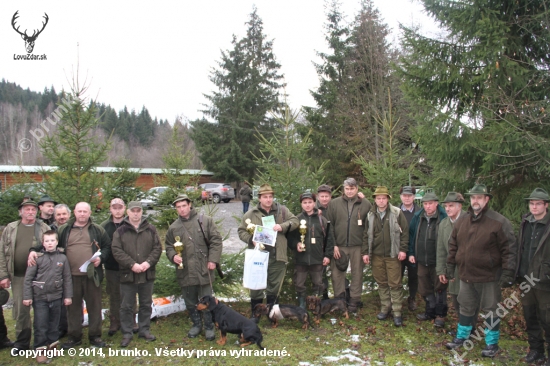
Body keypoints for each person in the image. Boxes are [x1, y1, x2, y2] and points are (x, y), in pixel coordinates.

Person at [445, 184, 517, 358]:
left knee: (491, 309)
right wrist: (450, 266)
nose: (475, 201)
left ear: (486, 199)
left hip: (489, 277)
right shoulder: (463, 220)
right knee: (466, 306)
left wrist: (508, 272)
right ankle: (462, 337)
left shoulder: (499, 222)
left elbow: (509, 249)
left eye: (479, 197)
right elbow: (453, 244)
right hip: (466, 275)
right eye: (473, 197)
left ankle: (492, 343)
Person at [50, 202, 111, 349]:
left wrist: (101, 258)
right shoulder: (64, 230)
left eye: (85, 211)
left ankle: (95, 336)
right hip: (71, 276)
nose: (82, 214)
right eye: (79, 211)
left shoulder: (97, 230)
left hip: (92, 275)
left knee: (94, 305)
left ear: (90, 213)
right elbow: (53, 246)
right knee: (73, 307)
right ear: (74, 213)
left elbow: (107, 247)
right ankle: (74, 337)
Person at [165, 194, 222, 341]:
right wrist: (173, 256)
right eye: (178, 207)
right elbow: (169, 246)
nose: (182, 209)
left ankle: (209, 327)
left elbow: (216, 241)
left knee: (207, 301)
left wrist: (213, 260)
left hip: (204, 269)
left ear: (189, 205)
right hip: (185, 271)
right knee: (190, 301)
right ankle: (196, 324)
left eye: (184, 206)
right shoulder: (174, 227)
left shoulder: (205, 221)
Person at [238, 184, 299, 316]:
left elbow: (295, 221)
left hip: (277, 254)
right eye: (265, 197)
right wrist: (251, 240)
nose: (268, 200)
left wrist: (281, 226)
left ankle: (272, 314)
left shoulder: (281, 211)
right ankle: (256, 314)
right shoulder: (251, 214)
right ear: (259, 198)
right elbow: (241, 231)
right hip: (259, 255)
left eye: (270, 197)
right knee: (256, 286)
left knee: (275, 286)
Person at [0, 199, 49, 352]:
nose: (30, 212)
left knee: (42, 309)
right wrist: (3, 275)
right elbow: (1, 252)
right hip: (18, 277)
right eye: (27, 209)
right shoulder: (11, 228)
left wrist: (36, 254)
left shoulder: (43, 227)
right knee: (22, 311)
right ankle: (22, 343)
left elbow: (51, 249)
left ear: (37, 211)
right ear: (20, 212)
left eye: (33, 209)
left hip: (40, 277)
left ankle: (42, 342)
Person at [112, 201, 161, 348]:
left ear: (141, 212)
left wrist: (148, 263)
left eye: (138, 211)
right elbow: (116, 250)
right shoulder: (120, 231)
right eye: (132, 211)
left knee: (146, 304)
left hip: (147, 274)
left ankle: (144, 330)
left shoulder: (151, 229)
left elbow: (157, 248)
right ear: (128, 212)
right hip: (128, 274)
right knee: (126, 306)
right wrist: (132, 264)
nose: (135, 213)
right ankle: (127, 333)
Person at [23, 230, 72, 363]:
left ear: (57, 242)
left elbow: (67, 278)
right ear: (43, 243)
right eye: (47, 241)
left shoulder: (62, 258)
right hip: (40, 298)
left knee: (54, 324)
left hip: (57, 297)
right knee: (41, 324)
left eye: (52, 241)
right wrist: (27, 296)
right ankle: (40, 349)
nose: (50, 243)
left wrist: (68, 296)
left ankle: (53, 346)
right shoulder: (37, 258)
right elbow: (28, 279)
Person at [514, 188, 550, 364]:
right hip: (525, 279)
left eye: (538, 204)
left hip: (544, 282)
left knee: (547, 319)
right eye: (531, 203)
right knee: (530, 317)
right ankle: (536, 350)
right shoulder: (526, 222)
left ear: (546, 205)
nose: (534, 207)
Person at [325, 178, 371, 312]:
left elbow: (369, 227)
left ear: (357, 189)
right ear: (343, 190)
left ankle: (354, 301)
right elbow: (330, 225)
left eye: (352, 188)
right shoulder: (334, 204)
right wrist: (333, 245)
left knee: (357, 273)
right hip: (339, 246)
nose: (349, 191)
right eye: (347, 189)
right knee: (337, 273)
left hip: (358, 245)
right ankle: (339, 300)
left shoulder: (365, 204)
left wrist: (365, 248)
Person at [365, 186, 409, 326]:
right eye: (379, 198)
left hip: (393, 255)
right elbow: (365, 235)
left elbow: (405, 233)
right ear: (375, 200)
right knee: (382, 283)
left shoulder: (397, 213)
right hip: (377, 255)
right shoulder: (370, 215)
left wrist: (402, 250)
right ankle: (385, 307)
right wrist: (365, 253)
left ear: (388, 199)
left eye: (384, 198)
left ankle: (397, 312)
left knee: (395, 283)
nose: (381, 201)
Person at [288, 192, 334, 308]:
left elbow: (329, 239)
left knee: (318, 283)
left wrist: (327, 255)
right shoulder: (296, 219)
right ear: (301, 204)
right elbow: (290, 238)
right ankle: (302, 304)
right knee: (299, 283)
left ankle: (316, 304)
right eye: (305, 203)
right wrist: (296, 244)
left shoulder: (321, 220)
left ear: (314, 203)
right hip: (301, 258)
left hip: (317, 258)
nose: (307, 205)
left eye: (310, 202)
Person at [408, 192, 448, 327]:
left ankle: (440, 315)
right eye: (425, 204)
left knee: (440, 287)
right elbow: (412, 235)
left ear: (436, 204)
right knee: (424, 287)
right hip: (421, 259)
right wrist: (412, 253)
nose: (428, 206)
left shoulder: (443, 217)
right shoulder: (418, 217)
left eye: (430, 203)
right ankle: (429, 311)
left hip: (438, 260)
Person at [436, 192, 467, 317]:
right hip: (451, 269)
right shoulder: (443, 224)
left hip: (467, 269)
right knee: (455, 298)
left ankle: (470, 329)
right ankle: (462, 328)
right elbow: (441, 249)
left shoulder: (469, 220)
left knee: (468, 300)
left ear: (459, 206)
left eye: (451, 206)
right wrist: (441, 270)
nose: (448, 209)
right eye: (446, 206)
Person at [100, 198, 127, 336]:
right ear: (110, 209)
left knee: (129, 295)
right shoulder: (103, 226)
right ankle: (114, 321)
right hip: (111, 267)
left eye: (120, 207)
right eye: (114, 207)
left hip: (128, 266)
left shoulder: (130, 224)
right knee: (114, 295)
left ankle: (130, 320)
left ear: (124, 208)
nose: (117, 210)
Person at [50, 203, 72, 339]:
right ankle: (59, 327)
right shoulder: (51, 230)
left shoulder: (73, 228)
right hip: (54, 270)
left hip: (71, 268)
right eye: (58, 214)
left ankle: (74, 324)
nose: (62, 217)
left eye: (64, 214)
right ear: (55, 216)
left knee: (72, 298)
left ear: (69, 215)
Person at [399, 186, 421, 311]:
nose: (407, 198)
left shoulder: (419, 212)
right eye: (404, 196)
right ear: (401, 197)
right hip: (399, 250)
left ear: (413, 197)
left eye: (409, 196)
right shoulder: (395, 211)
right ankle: (397, 299)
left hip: (414, 251)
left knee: (413, 276)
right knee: (398, 276)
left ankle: (412, 297)